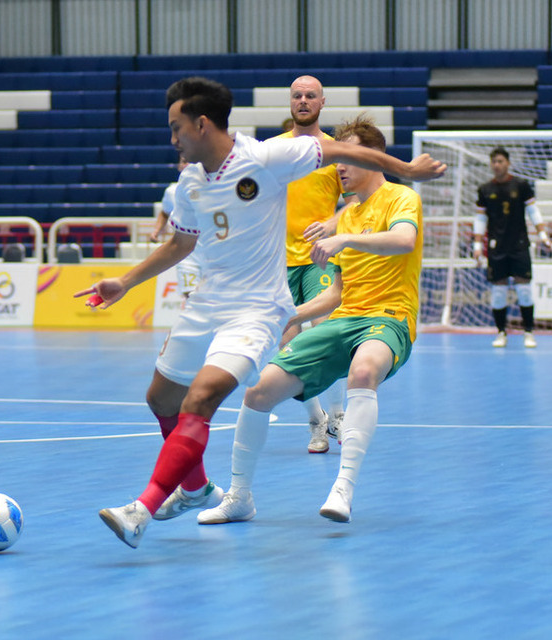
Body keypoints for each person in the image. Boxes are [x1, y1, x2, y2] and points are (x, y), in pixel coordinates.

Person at [75, 78, 445, 548]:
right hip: (212, 300)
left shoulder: (269, 158)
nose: (173, 139)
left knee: (208, 398)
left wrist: (406, 169)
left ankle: (145, 507)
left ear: (202, 123)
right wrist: (124, 282)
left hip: (273, 307)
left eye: (177, 128)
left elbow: (352, 160)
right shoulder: (190, 182)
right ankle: (207, 491)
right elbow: (180, 243)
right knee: (169, 398)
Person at [198, 115, 424, 526]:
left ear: (372, 158)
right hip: (346, 316)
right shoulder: (348, 214)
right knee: (258, 393)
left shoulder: (400, 199)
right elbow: (337, 294)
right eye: (337, 158)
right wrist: (285, 315)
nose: (338, 165)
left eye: (348, 157)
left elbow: (403, 240)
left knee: (363, 370)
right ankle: (239, 497)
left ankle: (343, 487)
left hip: (390, 317)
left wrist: (344, 237)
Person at [274, 75, 354, 454]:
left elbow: (359, 201)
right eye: (297, 96)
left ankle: (339, 415)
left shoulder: (335, 151)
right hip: (277, 263)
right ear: (289, 103)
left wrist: (332, 223)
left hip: (319, 258)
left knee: (324, 331)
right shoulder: (270, 150)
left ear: (322, 102)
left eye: (310, 96)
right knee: (289, 340)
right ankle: (316, 421)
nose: (303, 100)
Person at [473, 146, 552, 348]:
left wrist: (543, 234)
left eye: (500, 161)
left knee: (524, 290)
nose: (497, 165)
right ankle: (501, 333)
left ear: (508, 163)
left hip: (519, 246)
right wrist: (476, 244)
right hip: (496, 248)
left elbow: (534, 211)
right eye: (494, 161)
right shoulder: (485, 189)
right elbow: (480, 218)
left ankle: (529, 332)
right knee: (498, 293)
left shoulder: (521, 185)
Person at [150, 154, 202, 298]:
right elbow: (165, 212)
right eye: (184, 162)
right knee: (190, 295)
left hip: (213, 251)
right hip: (187, 254)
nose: (188, 165)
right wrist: (156, 230)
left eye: (192, 162)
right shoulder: (172, 191)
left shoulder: (213, 188)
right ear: (179, 166)